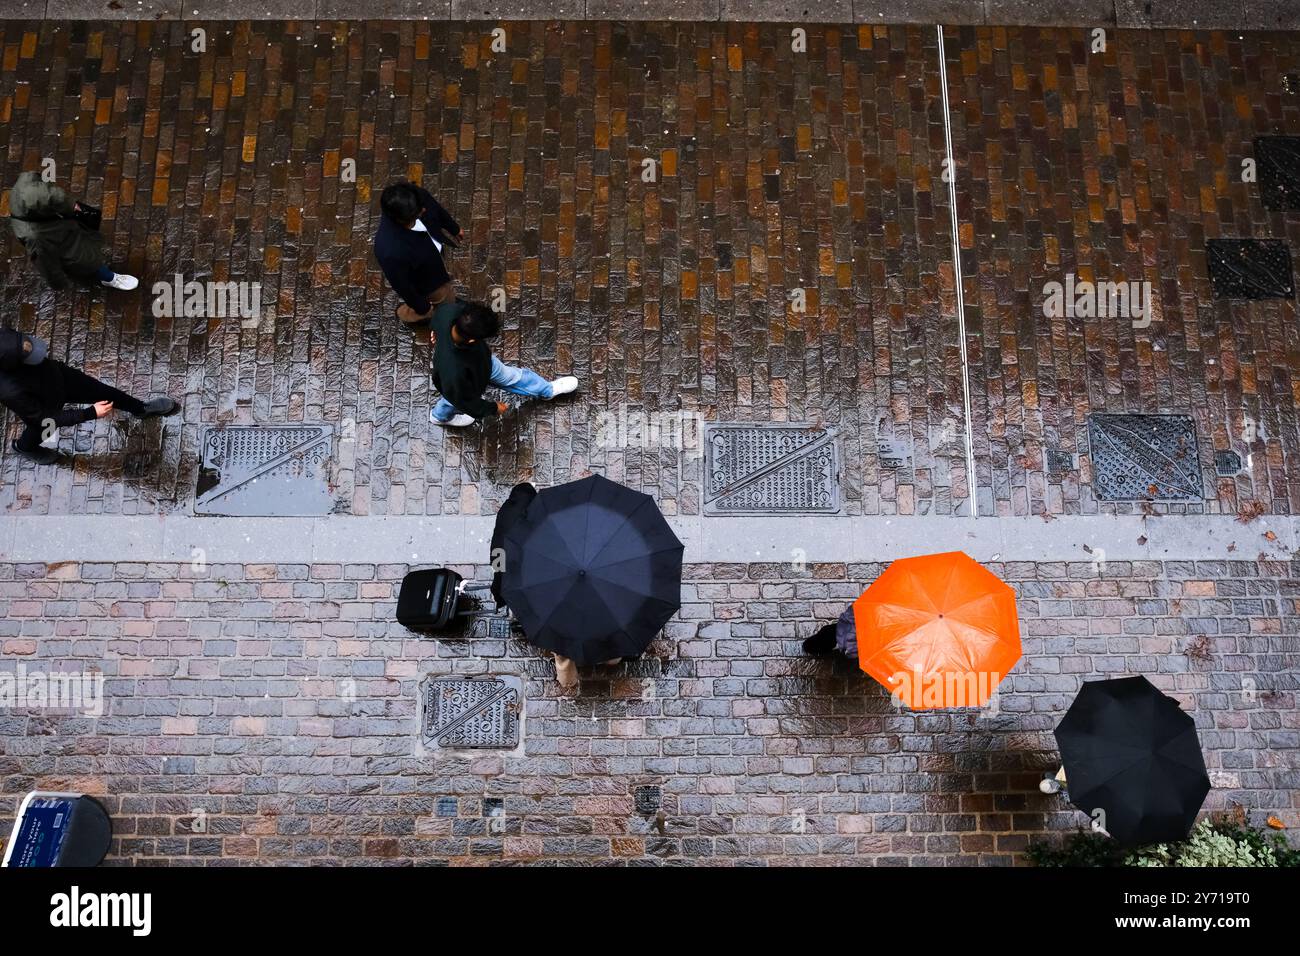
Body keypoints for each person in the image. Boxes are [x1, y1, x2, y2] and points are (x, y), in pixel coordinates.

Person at [0, 329, 179, 465]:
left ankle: (140, 409)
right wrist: (90, 413)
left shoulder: (7, 342)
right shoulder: (10, 391)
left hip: (60, 379)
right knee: (44, 429)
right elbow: (44, 417)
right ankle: (25, 448)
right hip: (44, 407)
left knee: (105, 393)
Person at [429, 299, 577, 428]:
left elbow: (436, 321)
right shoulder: (453, 372)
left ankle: (546, 390)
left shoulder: (448, 312)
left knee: (511, 376)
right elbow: (464, 400)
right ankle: (440, 417)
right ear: (472, 340)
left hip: (484, 365)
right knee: (452, 400)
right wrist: (492, 408)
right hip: (468, 381)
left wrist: (436, 333)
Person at [7, 171, 139, 291]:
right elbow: (45, 263)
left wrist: (71, 207)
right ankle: (108, 278)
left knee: (88, 244)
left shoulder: (29, 179)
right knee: (86, 259)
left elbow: (57, 198)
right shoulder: (34, 237)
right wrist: (58, 283)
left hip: (65, 226)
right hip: (61, 242)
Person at [373, 180, 462, 329]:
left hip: (433, 259)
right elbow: (402, 285)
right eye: (417, 213)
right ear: (400, 219)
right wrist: (423, 308)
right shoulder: (389, 251)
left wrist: (453, 228)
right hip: (428, 281)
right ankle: (419, 316)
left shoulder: (414, 198)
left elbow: (436, 209)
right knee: (445, 300)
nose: (423, 211)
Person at [489, 481, 538, 609]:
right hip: (509, 560)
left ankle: (501, 596)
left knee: (501, 573)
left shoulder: (506, 510)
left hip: (498, 555)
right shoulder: (536, 522)